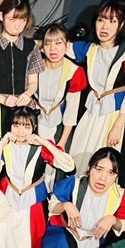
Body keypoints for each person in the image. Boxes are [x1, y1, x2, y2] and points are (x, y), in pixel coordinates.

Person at [0, 106, 75, 248]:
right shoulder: (4, 145)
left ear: (33, 127)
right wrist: (1, 146)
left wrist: (44, 143)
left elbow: (69, 166)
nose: (21, 131)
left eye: (26, 126)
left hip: (32, 201)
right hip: (9, 199)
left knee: (23, 243)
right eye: (16, 125)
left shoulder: (41, 147)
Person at [68, 0, 125, 186]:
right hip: (92, 113)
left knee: (105, 163)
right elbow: (56, 46)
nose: (104, 27)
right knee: (80, 155)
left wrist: (118, 126)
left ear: (121, 25)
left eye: (112, 21)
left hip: (115, 117)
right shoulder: (90, 49)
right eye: (101, 20)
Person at [0, 0, 44, 151]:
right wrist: (1, 99)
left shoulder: (31, 47)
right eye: (12, 19)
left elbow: (33, 82)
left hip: (22, 113)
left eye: (22, 20)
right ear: (1, 16)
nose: (17, 25)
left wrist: (27, 94)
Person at [35, 23, 88, 187]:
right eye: (48, 43)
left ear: (66, 45)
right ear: (42, 47)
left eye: (58, 43)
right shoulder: (34, 66)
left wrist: (62, 142)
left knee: (55, 172)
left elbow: (71, 111)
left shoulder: (73, 71)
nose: (53, 49)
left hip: (59, 127)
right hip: (35, 123)